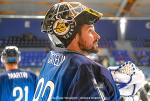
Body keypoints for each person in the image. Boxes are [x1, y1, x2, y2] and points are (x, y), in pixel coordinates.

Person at [33, 2, 120, 101]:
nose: (97, 36)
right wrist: (108, 82)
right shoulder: (85, 67)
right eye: (90, 31)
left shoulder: (49, 58)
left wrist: (105, 81)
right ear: (71, 33)